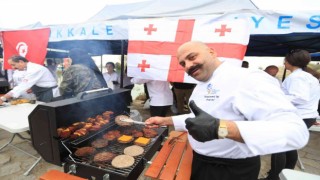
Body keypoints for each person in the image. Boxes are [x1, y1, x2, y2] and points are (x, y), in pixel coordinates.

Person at [145, 41, 309, 180]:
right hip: (201, 161)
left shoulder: (248, 78)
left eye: (192, 57)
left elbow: (295, 132)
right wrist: (165, 120)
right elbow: (201, 119)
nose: (187, 65)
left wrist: (221, 129)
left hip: (230, 170)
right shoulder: (202, 84)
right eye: (182, 64)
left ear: (211, 52)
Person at [263, 49, 320, 180]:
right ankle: (285, 174)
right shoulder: (307, 76)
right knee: (290, 146)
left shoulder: (298, 77)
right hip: (306, 116)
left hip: (299, 116)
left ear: (290, 61)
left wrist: (276, 99)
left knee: (279, 146)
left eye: (285, 60)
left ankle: (273, 177)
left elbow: (300, 97)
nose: (284, 63)